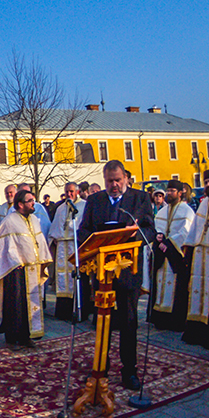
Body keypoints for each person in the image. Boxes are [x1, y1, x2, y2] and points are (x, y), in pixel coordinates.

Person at [77, 159, 156, 390]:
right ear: (104, 180)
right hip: (103, 272)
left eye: (118, 180)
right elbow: (84, 230)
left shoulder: (140, 199)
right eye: (110, 181)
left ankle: (129, 371)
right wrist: (91, 241)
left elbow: (150, 230)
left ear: (126, 179)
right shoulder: (94, 200)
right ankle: (101, 367)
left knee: (129, 323)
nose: (114, 185)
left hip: (128, 271)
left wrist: (135, 237)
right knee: (103, 322)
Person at [0, 189, 51, 347]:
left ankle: (25, 336)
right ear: (20, 204)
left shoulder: (34, 219)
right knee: (14, 304)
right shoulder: (9, 220)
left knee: (29, 304)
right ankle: (11, 338)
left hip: (32, 268)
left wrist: (43, 258)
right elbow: (1, 247)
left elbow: (39, 240)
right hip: (15, 270)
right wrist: (14, 260)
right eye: (29, 201)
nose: (33, 203)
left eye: (33, 200)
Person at [183, 169, 209, 347]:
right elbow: (195, 227)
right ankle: (195, 332)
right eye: (206, 182)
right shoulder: (203, 202)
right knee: (197, 291)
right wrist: (189, 246)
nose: (208, 185)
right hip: (199, 254)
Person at [149, 180, 195, 331]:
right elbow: (157, 228)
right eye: (168, 191)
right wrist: (158, 237)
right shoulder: (163, 210)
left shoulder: (187, 211)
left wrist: (169, 244)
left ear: (180, 193)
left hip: (175, 255)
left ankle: (174, 320)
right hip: (163, 255)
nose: (169, 193)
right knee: (160, 282)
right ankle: (159, 318)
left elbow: (186, 231)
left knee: (175, 286)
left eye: (172, 191)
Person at [47, 182, 90, 321]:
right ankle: (63, 311)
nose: (69, 194)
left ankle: (79, 310)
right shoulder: (60, 208)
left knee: (76, 277)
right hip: (62, 247)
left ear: (77, 191)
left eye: (71, 191)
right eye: (67, 191)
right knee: (62, 278)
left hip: (76, 245)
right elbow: (54, 228)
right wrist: (52, 240)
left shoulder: (84, 206)